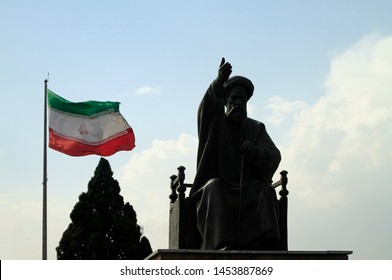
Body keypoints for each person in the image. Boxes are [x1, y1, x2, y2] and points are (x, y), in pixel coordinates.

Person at [189, 58, 282, 250]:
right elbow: (205, 110)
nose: (238, 103)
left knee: (264, 191)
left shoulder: (256, 127)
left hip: (247, 185)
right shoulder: (216, 123)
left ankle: (266, 246)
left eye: (242, 100)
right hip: (220, 184)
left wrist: (255, 152)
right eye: (233, 99)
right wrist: (217, 83)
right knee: (214, 188)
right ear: (225, 100)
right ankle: (222, 244)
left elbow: (274, 155)